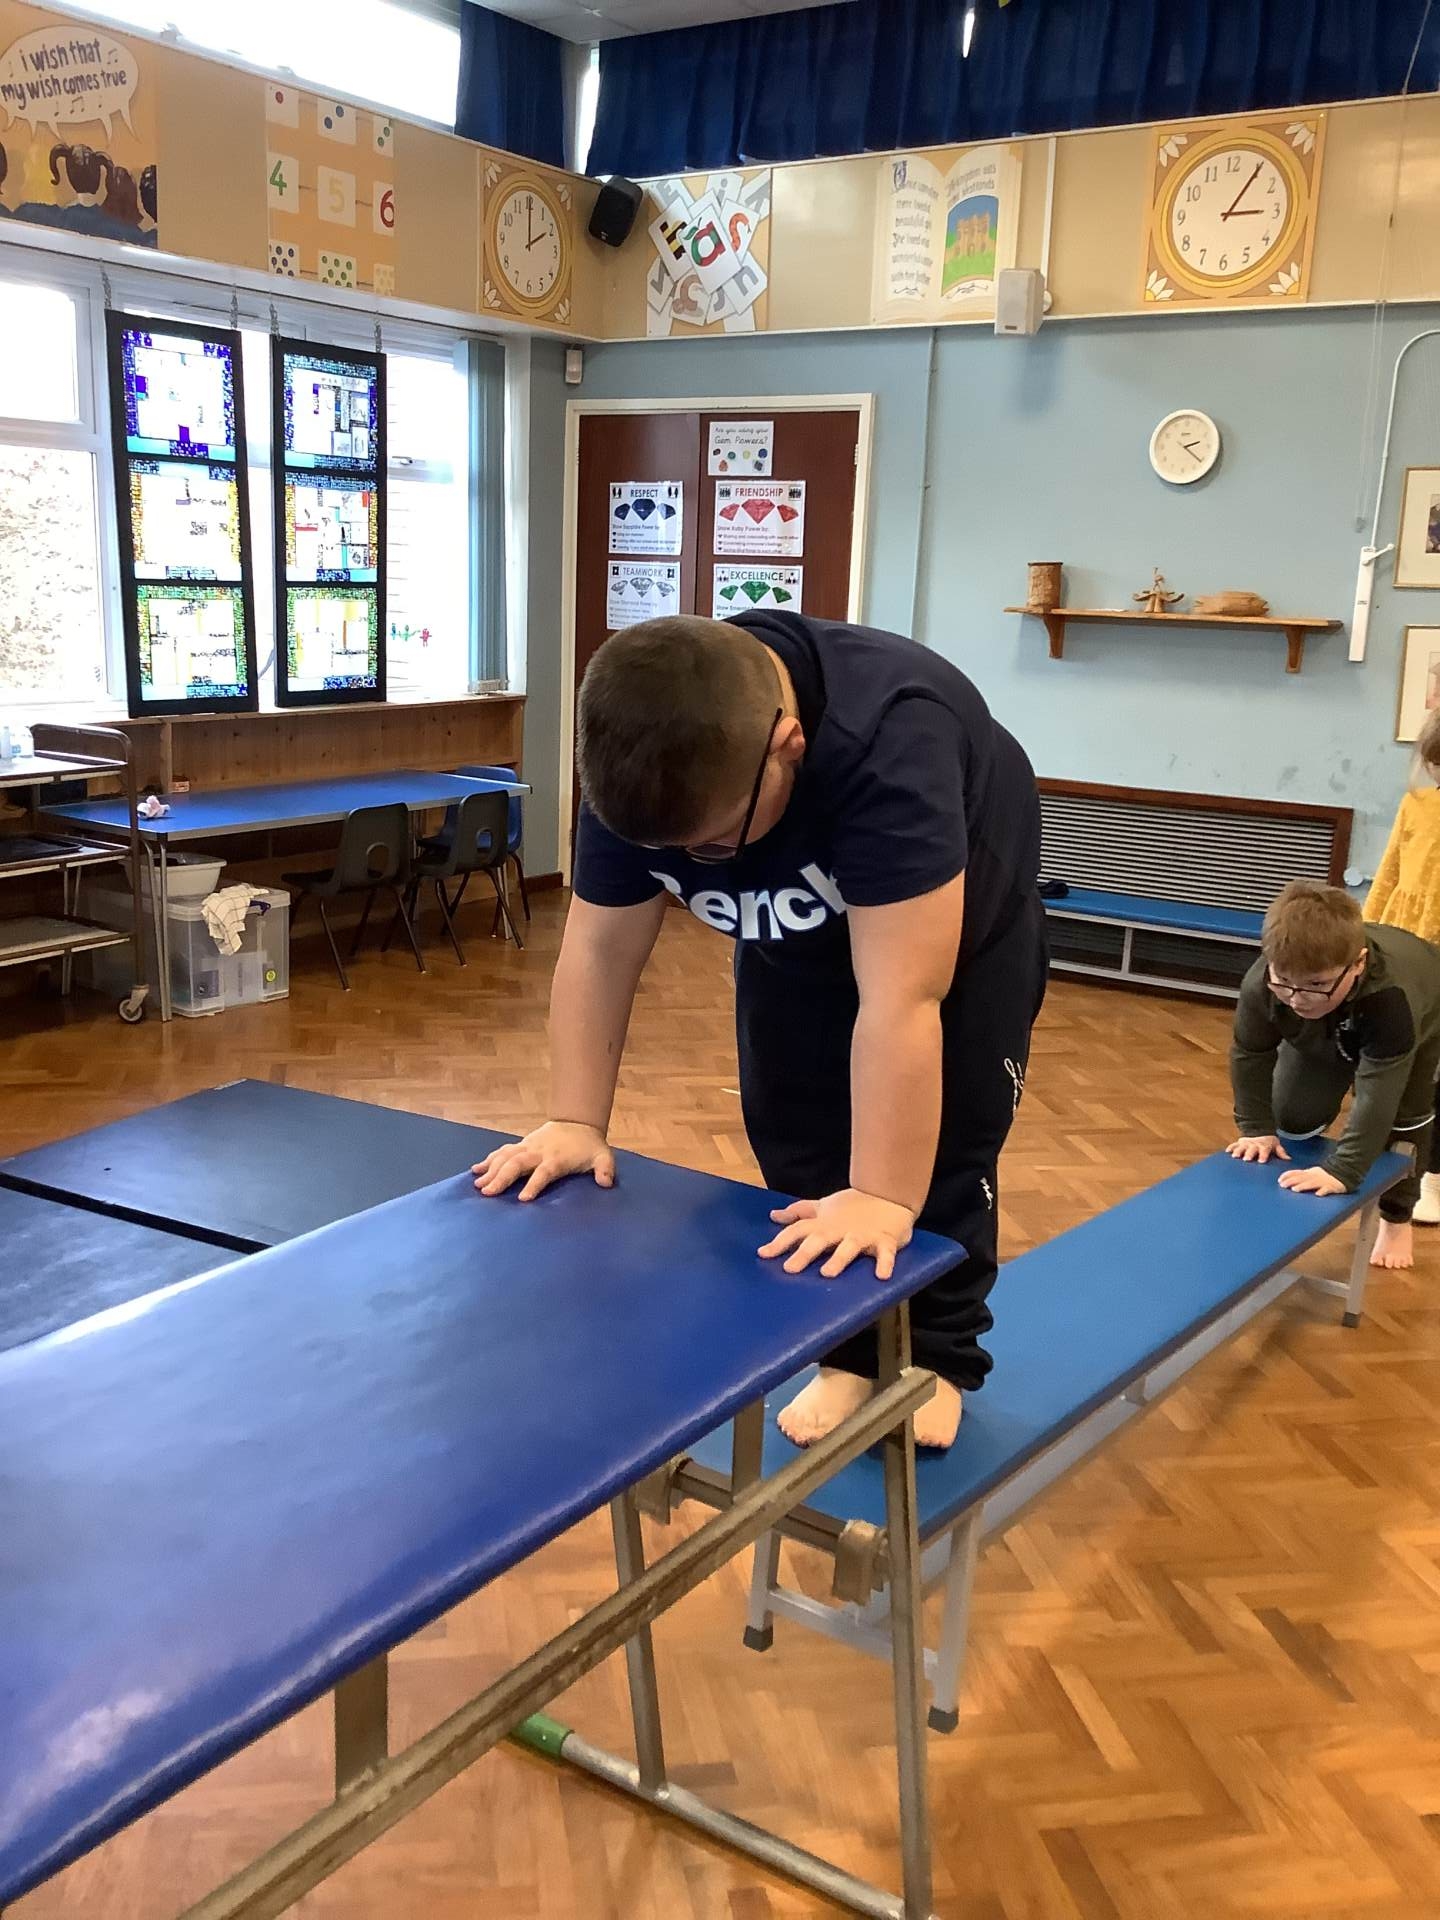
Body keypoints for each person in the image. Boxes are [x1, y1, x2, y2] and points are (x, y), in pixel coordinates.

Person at [473, 611, 1047, 1450]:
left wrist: (884, 1198)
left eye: (709, 845)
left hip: (955, 933)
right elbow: (599, 950)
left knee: (945, 1140)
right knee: (790, 1118)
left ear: (788, 746)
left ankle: (935, 1358)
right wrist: (575, 1119)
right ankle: (846, 1354)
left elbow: (902, 1001)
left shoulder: (890, 743)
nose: (691, 867)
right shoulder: (641, 752)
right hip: (796, 924)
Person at [1228, 877, 1440, 1269]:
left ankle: (1397, 1219)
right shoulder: (1265, 983)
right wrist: (1255, 1126)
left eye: (1315, 984)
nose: (1297, 998)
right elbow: (1250, 1053)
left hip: (1424, 1013)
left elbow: (1378, 1094)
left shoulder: (1391, 1000)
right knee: (1290, 1114)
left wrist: (1344, 1169)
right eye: (1284, 982)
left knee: (1404, 1117)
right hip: (1333, 1018)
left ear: (1358, 964)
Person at [1365, 707, 1440, 1222]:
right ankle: (1399, 1172)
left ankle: (1433, 1178)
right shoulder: (1417, 804)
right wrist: (1366, 936)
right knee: (1410, 1066)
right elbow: (1389, 873)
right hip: (1409, 945)